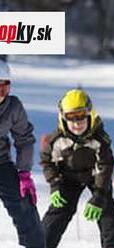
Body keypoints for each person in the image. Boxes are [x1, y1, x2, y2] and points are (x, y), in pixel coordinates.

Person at [40, 89, 114, 248]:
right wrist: (55, 185)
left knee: (108, 213)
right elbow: (47, 162)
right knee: (58, 212)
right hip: (68, 177)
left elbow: (105, 166)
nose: (77, 123)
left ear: (90, 115)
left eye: (81, 116)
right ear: (63, 119)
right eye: (71, 118)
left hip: (96, 177)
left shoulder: (99, 139)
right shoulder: (56, 140)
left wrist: (99, 195)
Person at [0, 60, 45, 247]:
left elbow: (24, 138)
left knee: (24, 204)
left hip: (1, 162)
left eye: (3, 88)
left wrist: (24, 173)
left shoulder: (13, 107)